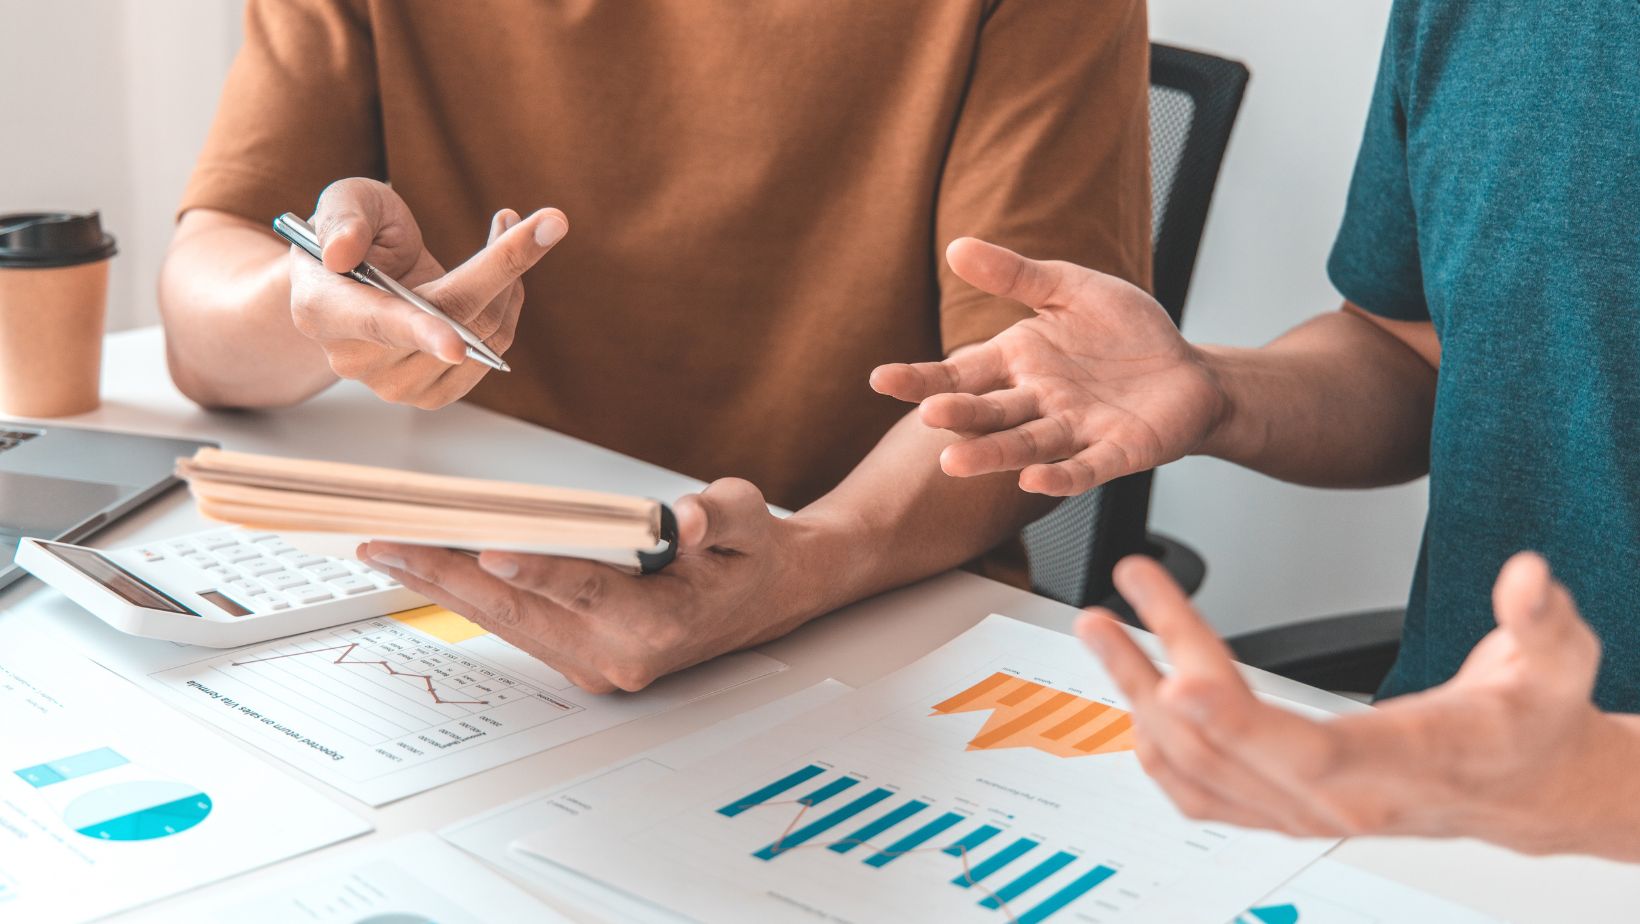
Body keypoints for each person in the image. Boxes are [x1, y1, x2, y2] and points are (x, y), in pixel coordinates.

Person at [159, 1, 1152, 692]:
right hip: (458, 612)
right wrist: (313, 305)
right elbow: (201, 327)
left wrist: (809, 564)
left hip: (860, 616)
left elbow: (1033, 383)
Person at [872, 1, 1640, 858]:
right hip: (1432, 808)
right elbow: (1415, 349)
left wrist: (1575, 785)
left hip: (1524, 810)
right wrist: (1216, 390)